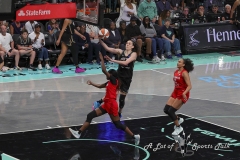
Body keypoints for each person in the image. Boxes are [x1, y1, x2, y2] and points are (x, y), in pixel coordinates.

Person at [69, 52, 140, 145]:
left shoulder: (115, 81)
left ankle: (134, 136)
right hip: (107, 104)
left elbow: (103, 70)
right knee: (90, 116)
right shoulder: (109, 83)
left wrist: (102, 60)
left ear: (111, 75)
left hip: (112, 105)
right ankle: (78, 133)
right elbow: (99, 86)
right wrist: (91, 83)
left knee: (118, 125)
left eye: (108, 74)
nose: (107, 75)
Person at [93, 39, 138, 118]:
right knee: (112, 91)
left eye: (129, 43)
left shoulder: (134, 54)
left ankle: (119, 112)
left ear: (133, 46)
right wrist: (100, 40)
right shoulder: (121, 51)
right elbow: (107, 48)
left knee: (121, 99)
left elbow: (126, 63)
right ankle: (99, 102)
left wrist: (112, 60)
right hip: (119, 76)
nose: (127, 44)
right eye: (127, 43)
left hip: (127, 78)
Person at [163, 58, 194, 136]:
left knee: (171, 111)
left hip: (182, 93)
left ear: (183, 64)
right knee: (166, 110)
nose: (178, 63)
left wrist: (184, 93)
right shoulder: (176, 72)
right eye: (178, 61)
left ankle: (179, 127)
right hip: (175, 92)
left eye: (179, 62)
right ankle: (179, 119)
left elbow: (190, 86)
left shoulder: (185, 73)